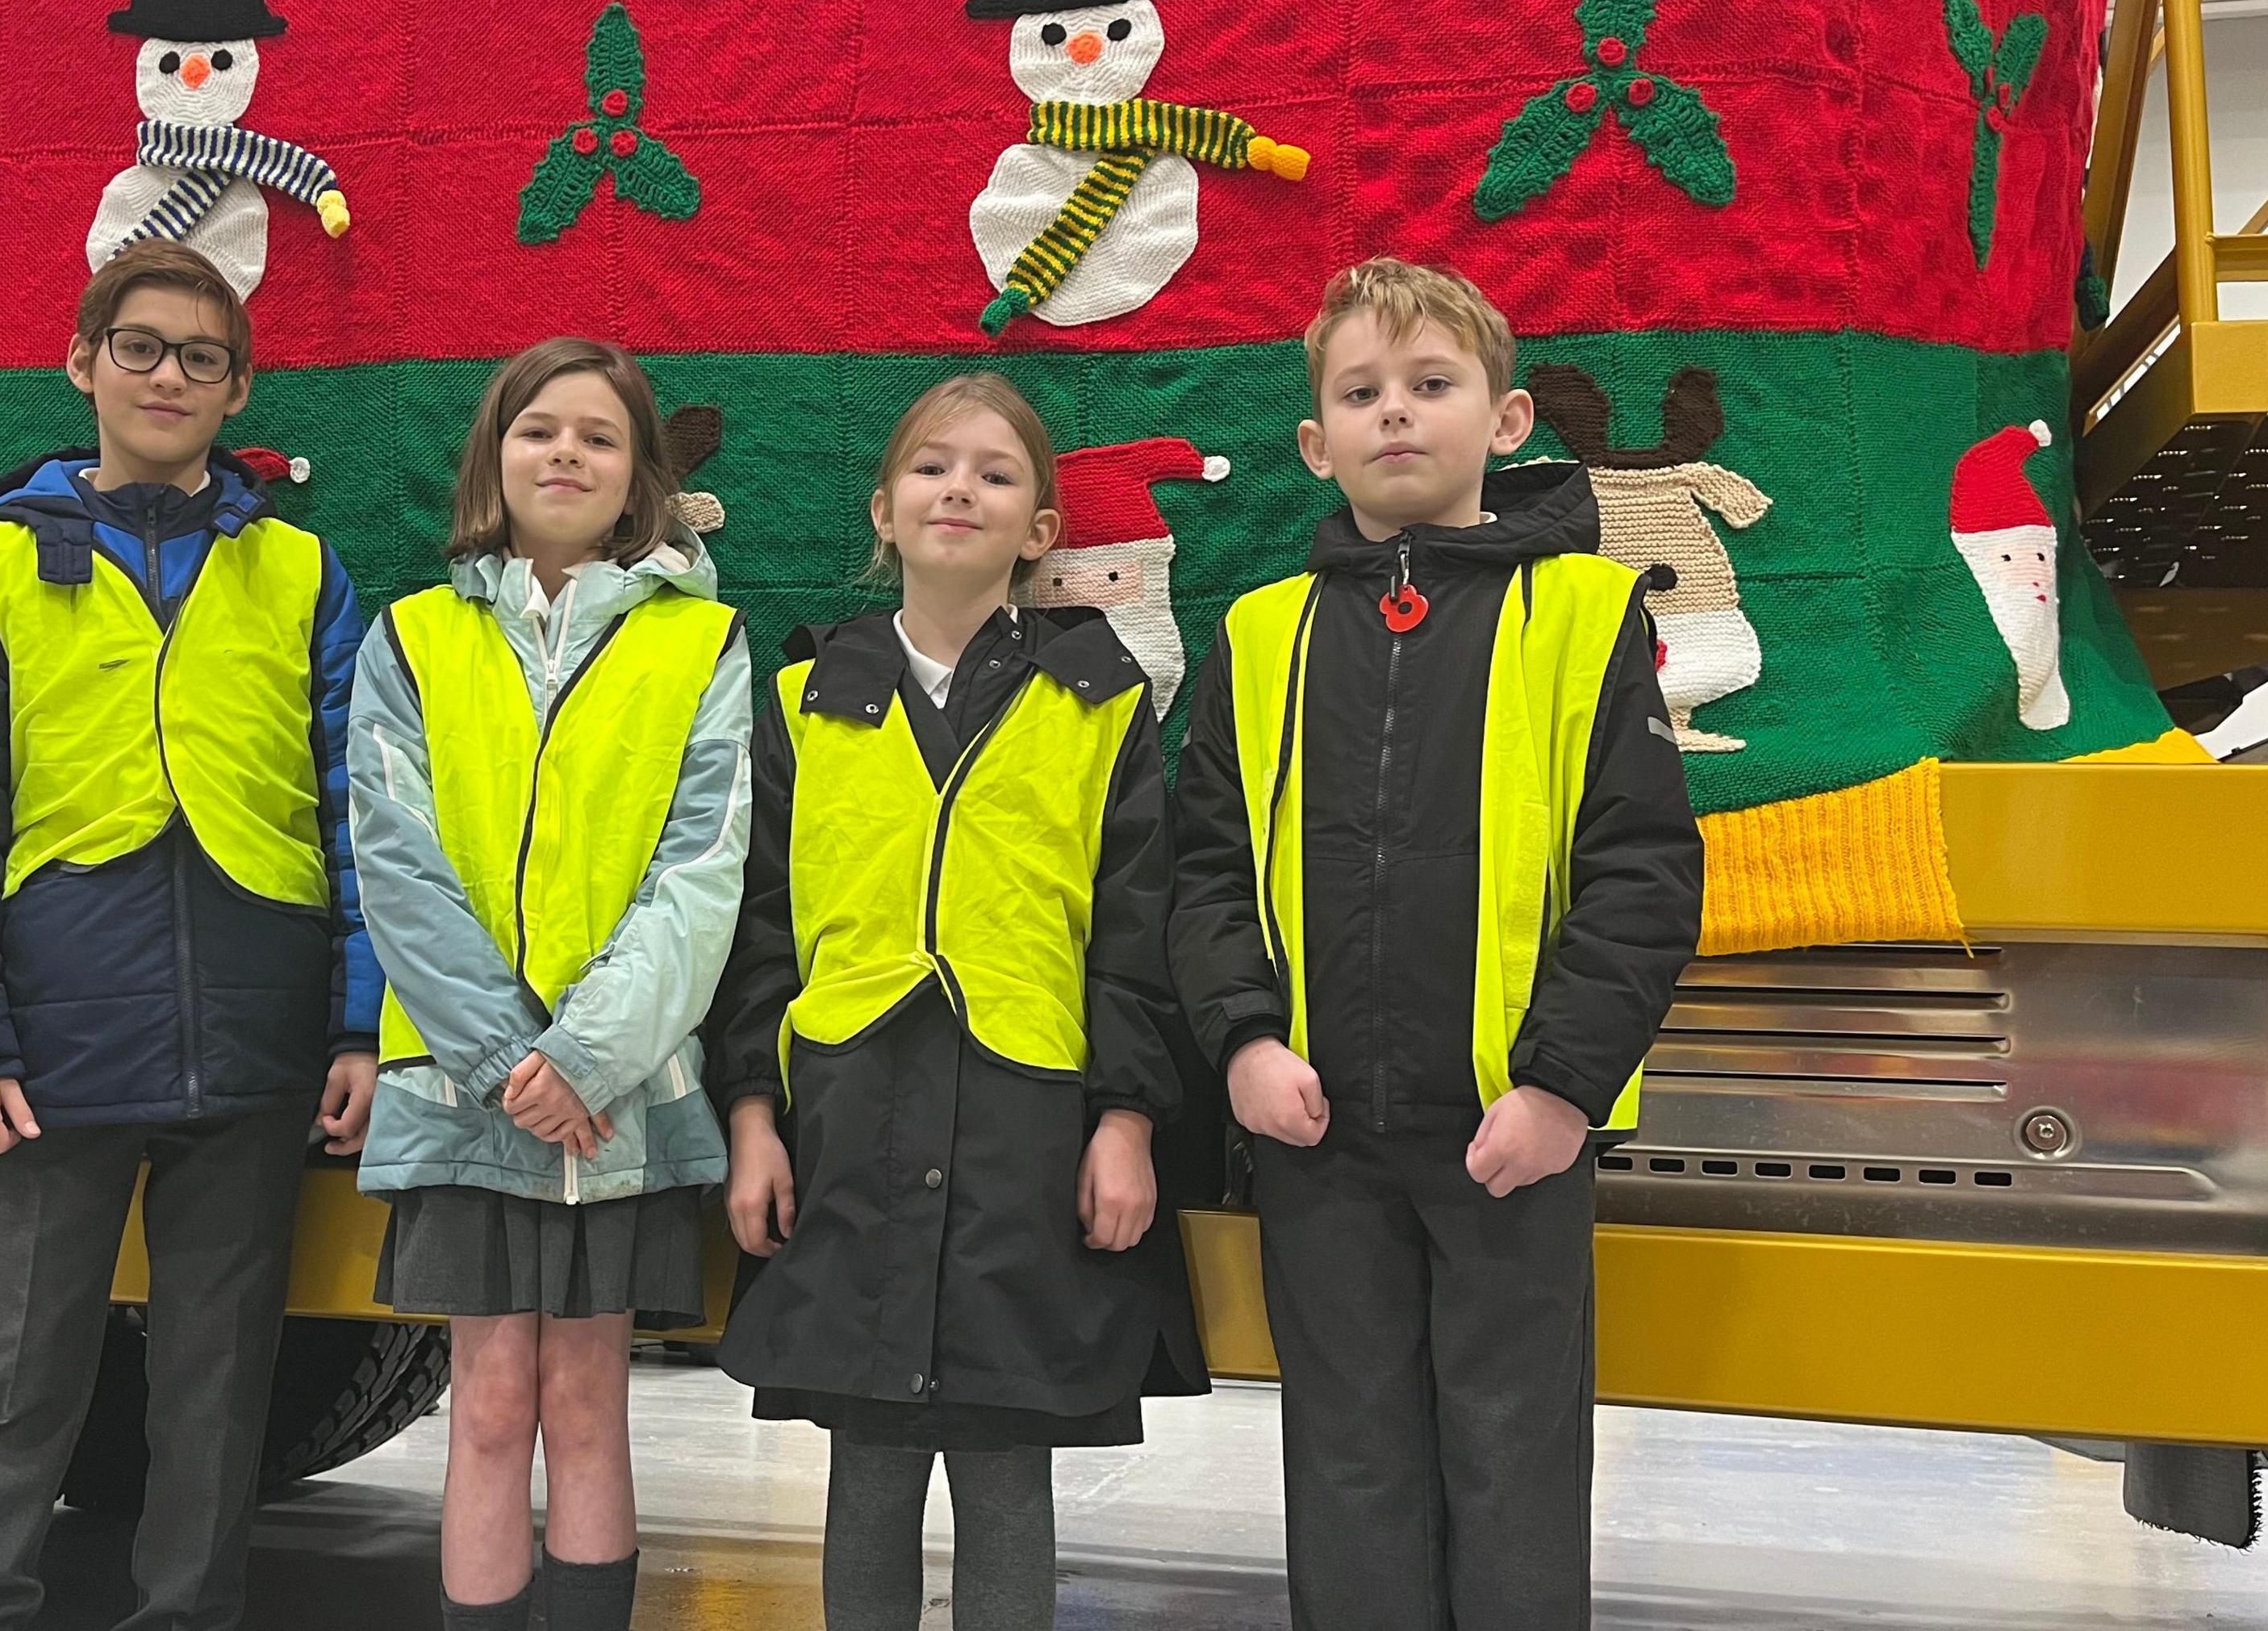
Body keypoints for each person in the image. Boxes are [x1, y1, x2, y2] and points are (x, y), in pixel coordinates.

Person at [1169, 257, 1704, 1629]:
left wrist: (1561, 1088)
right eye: (1361, 393)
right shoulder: (1256, 634)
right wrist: (1240, 1039)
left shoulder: (1589, 618)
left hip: (1510, 1135)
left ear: (1506, 418)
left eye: (1430, 384)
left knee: (1514, 1460)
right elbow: (1208, 867)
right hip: (1318, 1131)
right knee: (1347, 1459)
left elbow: (1641, 874)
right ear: (1316, 440)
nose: (1394, 414)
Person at [0, 239, 381, 1629]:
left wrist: (356, 1023)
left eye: (203, 358)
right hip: (51, 1042)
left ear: (237, 396)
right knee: (18, 1373)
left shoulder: (301, 572)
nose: (170, 375)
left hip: (257, 1036)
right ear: (83, 366)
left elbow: (358, 818)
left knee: (217, 1386)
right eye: (143, 348)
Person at [709, 372, 1208, 1631]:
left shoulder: (1100, 704)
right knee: (866, 1463)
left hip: (1024, 1133)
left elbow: (1136, 938)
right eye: (933, 467)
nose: (960, 489)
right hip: (846, 1126)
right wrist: (755, 1117)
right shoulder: (804, 701)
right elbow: (759, 928)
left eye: (996, 473)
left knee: (1004, 1462)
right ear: (884, 509)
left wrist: (1127, 1118)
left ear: (1041, 529)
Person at [348, 337, 752, 1631]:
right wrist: (504, 1061)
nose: (566, 452)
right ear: (495, 456)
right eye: (539, 429)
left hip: (619, 1096)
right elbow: (393, 861)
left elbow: (703, 872)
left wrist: (583, 1059)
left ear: (641, 473)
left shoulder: (706, 642)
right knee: (488, 1407)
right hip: (468, 1092)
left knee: (587, 1405)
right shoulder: (411, 639)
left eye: (598, 435)